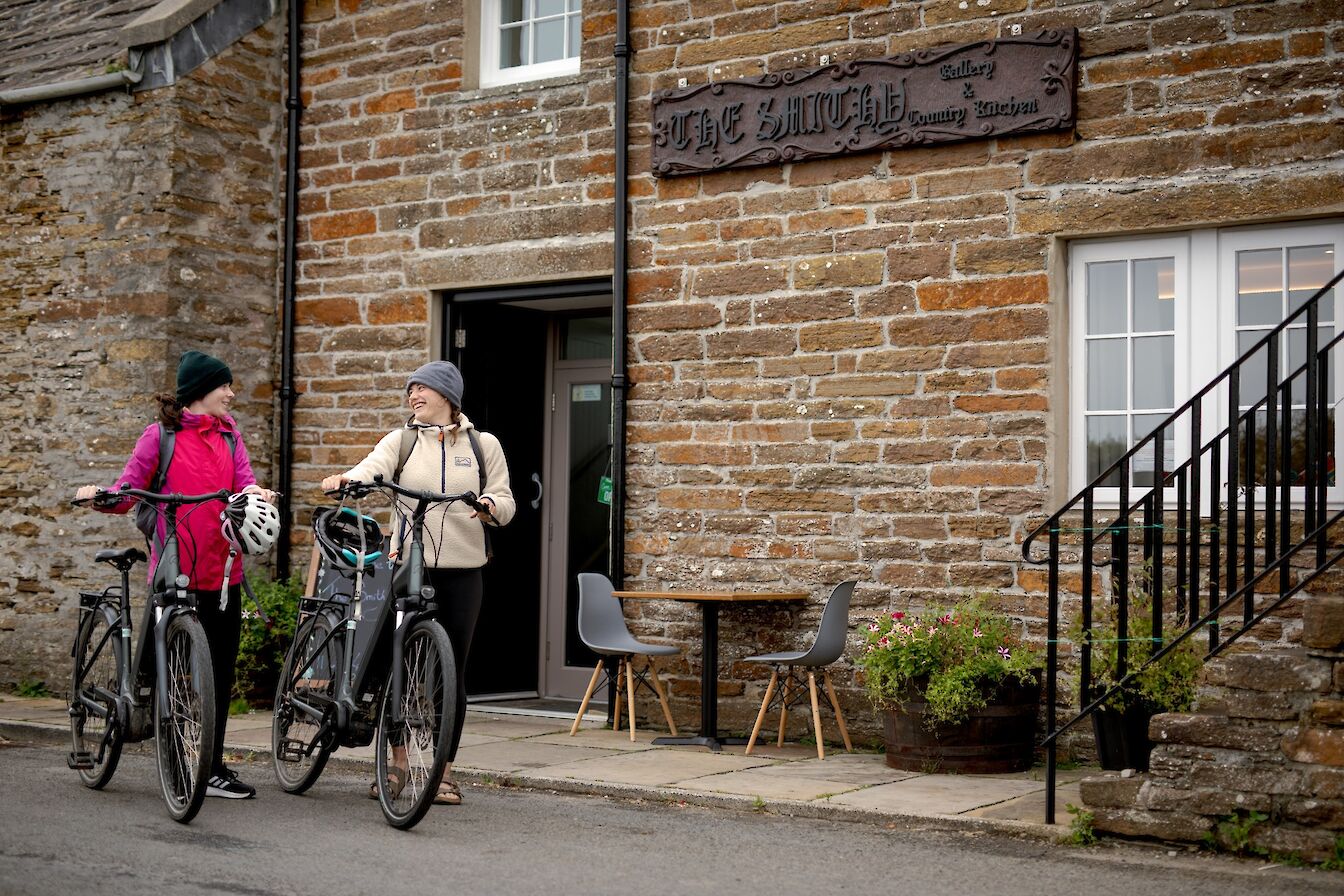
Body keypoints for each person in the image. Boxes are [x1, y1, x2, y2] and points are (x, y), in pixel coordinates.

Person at [75, 350, 277, 800]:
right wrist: (101, 496)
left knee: (218, 676)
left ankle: (212, 767)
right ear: (202, 391)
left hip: (223, 573)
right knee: (167, 676)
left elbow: (244, 481)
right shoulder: (160, 437)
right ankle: (174, 765)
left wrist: (256, 491)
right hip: (174, 571)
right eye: (224, 386)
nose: (230, 393)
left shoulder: (229, 436)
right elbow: (130, 490)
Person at [321, 359, 513, 806]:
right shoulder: (402, 441)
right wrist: (348, 480)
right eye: (410, 391)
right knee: (397, 667)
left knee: (452, 674)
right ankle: (398, 765)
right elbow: (374, 467)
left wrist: (489, 506)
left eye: (422, 389)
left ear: (447, 396)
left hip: (465, 570)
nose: (414, 397)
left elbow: (506, 500)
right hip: (410, 565)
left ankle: (443, 772)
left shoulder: (484, 446)